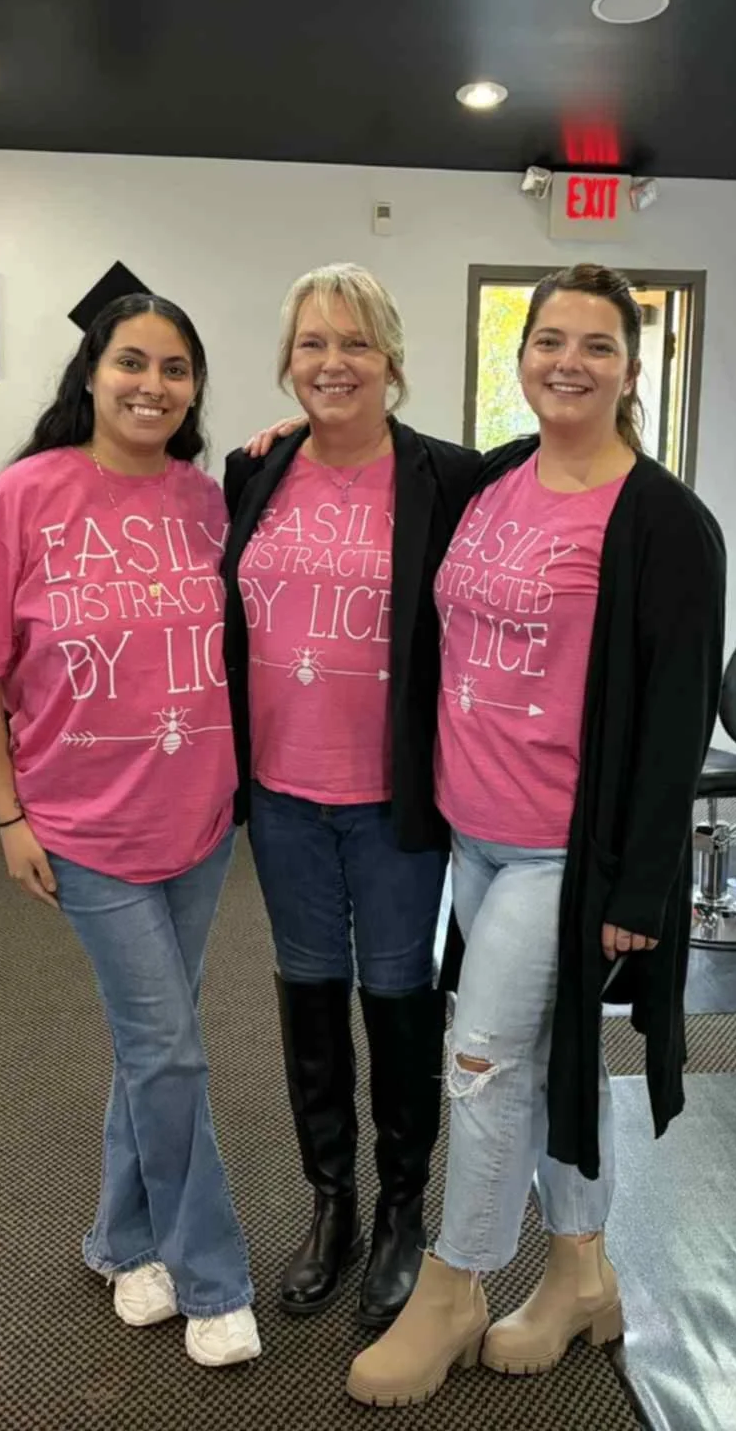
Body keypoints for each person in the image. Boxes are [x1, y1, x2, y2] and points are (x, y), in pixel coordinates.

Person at [345, 263, 726, 1407]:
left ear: (629, 367)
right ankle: (579, 1276)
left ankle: (453, 1285)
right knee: (556, 1058)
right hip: (476, 832)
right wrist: (290, 436)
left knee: (479, 1059)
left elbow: (673, 724)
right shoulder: (492, 478)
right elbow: (381, 461)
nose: (567, 361)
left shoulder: (663, 522)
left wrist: (640, 888)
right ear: (519, 358)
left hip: (569, 851)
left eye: (596, 345)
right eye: (547, 339)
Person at [0, 293, 261, 1369]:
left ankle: (122, 1238)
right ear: (91, 372)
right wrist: (6, 815)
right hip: (83, 827)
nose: (153, 386)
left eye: (177, 369)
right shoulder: (21, 498)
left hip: (200, 820)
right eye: (133, 362)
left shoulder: (208, 505)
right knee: (169, 1051)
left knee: (149, 1046)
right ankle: (212, 1275)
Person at [220, 264, 481, 1329]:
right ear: (288, 361)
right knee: (310, 1001)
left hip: (391, 798)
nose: (333, 362)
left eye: (355, 343)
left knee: (397, 1000)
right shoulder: (257, 471)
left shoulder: (446, 477)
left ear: (392, 361)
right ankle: (329, 1202)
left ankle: (400, 1212)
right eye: (313, 343)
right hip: (280, 794)